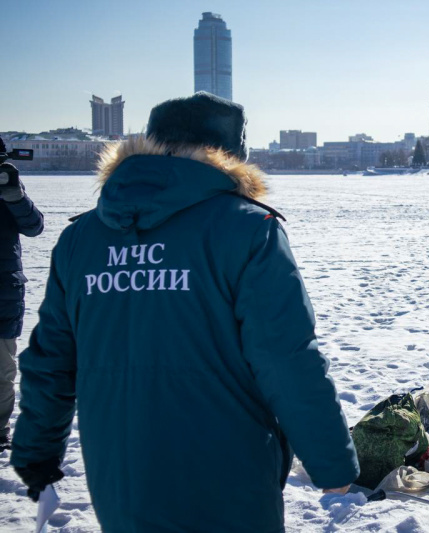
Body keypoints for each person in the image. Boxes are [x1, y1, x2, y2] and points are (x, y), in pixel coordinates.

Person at [11, 92, 359, 532]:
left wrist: (37, 453)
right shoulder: (248, 228)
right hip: (228, 473)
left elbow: (50, 362)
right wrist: (332, 464)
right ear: (231, 155)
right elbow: (287, 357)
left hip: (121, 474)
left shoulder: (82, 239)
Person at [0, 139, 44, 451]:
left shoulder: (9, 188)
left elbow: (34, 227)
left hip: (3, 288)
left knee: (3, 367)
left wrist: (15, 197)